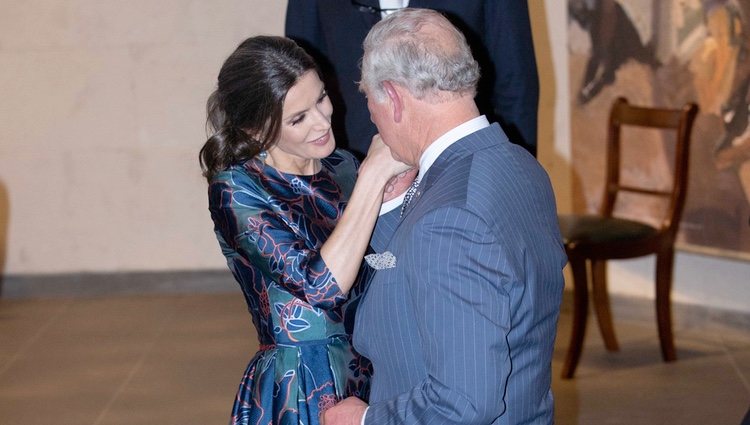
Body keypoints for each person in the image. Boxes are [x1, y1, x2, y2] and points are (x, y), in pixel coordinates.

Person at [321, 9, 567, 425]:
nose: (372, 119)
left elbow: (463, 403)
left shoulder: (450, 216)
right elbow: (411, 267)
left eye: (368, 99)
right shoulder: (518, 166)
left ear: (394, 98)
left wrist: (365, 422)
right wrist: (391, 204)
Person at [199, 35, 409, 425]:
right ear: (256, 130)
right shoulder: (237, 189)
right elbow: (322, 288)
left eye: (321, 98)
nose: (323, 120)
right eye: (298, 118)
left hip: (374, 370)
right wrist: (374, 178)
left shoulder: (342, 166)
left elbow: (376, 261)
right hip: (305, 384)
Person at [285, 0, 539, 157]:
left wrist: (513, 164)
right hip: (354, 164)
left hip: (462, 164)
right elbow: (299, 80)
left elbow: (516, 82)